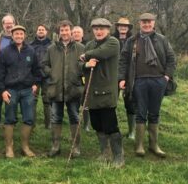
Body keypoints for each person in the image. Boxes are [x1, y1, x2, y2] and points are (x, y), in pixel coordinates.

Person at [119, 13, 176, 158]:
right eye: (143, 22)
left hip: (158, 81)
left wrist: (166, 77)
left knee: (154, 113)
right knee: (140, 112)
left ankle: (153, 145)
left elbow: (171, 59)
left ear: (153, 23)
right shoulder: (132, 41)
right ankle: (139, 145)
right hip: (139, 81)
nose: (146, 24)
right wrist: (122, 78)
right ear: (139, 23)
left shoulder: (162, 40)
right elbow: (123, 61)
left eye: (149, 22)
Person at [0, 25, 42, 158]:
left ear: (24, 35)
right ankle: (9, 147)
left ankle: (25, 146)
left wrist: (36, 83)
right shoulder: (4, 52)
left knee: (29, 118)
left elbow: (37, 70)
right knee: (9, 119)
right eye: (16, 34)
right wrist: (2, 91)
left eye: (21, 34)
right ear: (12, 35)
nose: (19, 36)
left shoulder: (31, 51)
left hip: (27, 90)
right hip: (11, 90)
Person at [84, 18, 124, 167]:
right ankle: (104, 153)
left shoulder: (113, 42)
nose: (99, 31)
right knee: (97, 125)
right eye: (96, 29)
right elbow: (79, 64)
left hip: (107, 92)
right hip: (92, 92)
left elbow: (101, 53)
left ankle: (118, 157)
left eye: (102, 29)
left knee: (110, 126)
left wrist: (86, 55)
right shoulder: (89, 45)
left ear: (108, 30)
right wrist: (86, 64)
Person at [42, 20, 85, 158]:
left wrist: (79, 73)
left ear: (71, 31)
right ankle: (55, 146)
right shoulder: (51, 48)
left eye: (67, 30)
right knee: (56, 117)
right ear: (58, 32)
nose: (65, 33)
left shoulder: (80, 48)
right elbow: (44, 65)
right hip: (56, 88)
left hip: (73, 87)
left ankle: (76, 147)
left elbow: (84, 66)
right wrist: (52, 73)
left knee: (74, 116)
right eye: (62, 30)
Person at [113, 17, 136, 139]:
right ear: (117, 27)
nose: (123, 28)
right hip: (112, 75)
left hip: (129, 76)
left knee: (130, 103)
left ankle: (132, 131)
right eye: (120, 26)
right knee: (112, 102)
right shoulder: (111, 39)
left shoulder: (133, 41)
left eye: (125, 26)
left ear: (128, 28)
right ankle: (114, 129)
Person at [30, 23, 52, 129]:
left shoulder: (52, 45)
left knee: (47, 100)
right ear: (36, 32)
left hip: (47, 76)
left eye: (43, 29)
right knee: (32, 100)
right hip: (34, 76)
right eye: (39, 29)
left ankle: (48, 124)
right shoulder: (31, 45)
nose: (41, 31)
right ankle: (31, 123)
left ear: (46, 32)